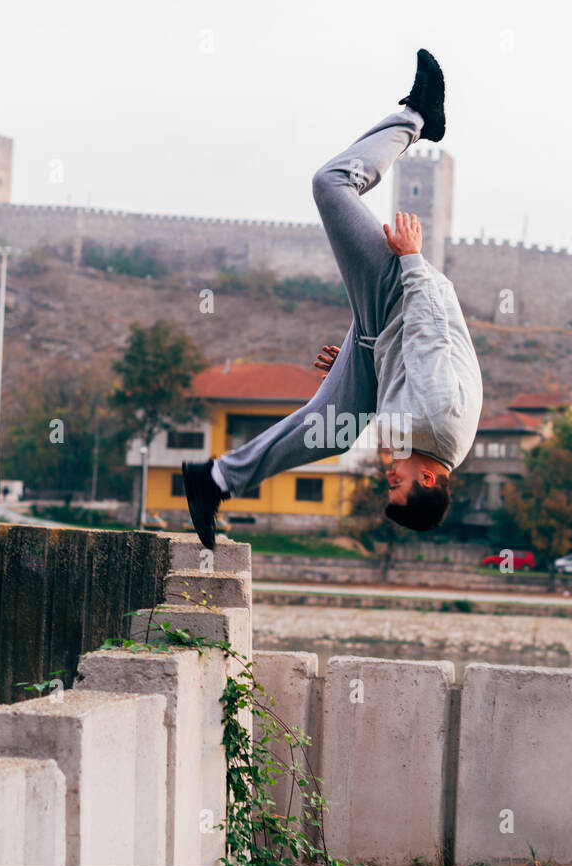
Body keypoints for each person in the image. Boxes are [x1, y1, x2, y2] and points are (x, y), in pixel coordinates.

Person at [182, 49, 483, 550]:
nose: (389, 472)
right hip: (402, 295)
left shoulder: (422, 441)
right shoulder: (437, 420)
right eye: (397, 481)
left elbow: (404, 370)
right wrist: (410, 258)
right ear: (428, 479)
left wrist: (351, 362)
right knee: (331, 183)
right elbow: (430, 333)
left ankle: (213, 482)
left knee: (332, 430)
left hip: (381, 337)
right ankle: (417, 118)